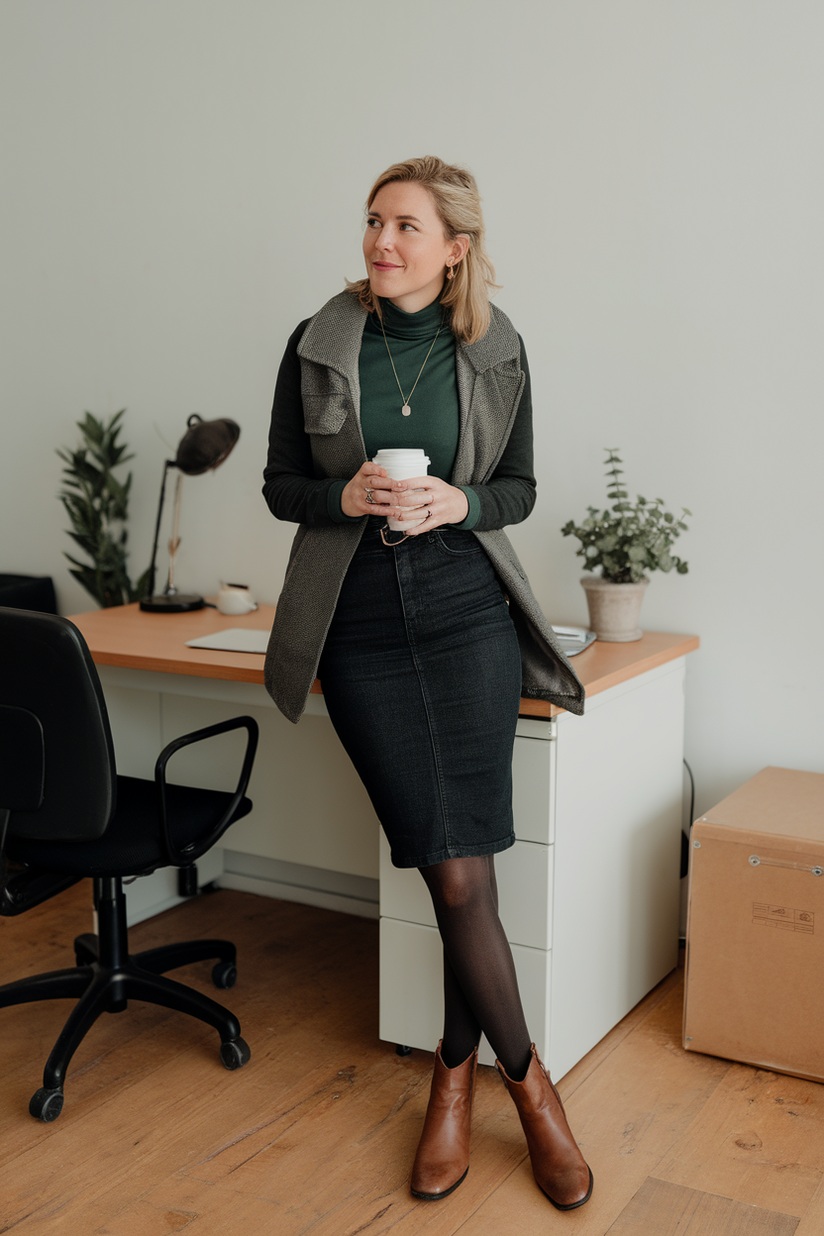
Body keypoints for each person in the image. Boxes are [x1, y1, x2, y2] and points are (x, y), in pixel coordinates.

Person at [262, 156, 592, 1211]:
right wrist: (340, 491)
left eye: (403, 226)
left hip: (463, 618)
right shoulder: (318, 342)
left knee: (462, 874)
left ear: (454, 248)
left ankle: (461, 1081)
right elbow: (279, 487)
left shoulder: (494, 348)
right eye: (371, 221)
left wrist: (461, 507)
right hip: (357, 626)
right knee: (451, 868)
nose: (378, 241)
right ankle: (526, 1083)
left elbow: (521, 489)